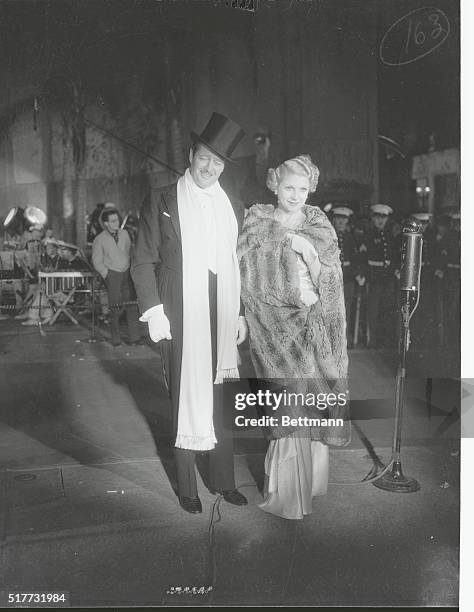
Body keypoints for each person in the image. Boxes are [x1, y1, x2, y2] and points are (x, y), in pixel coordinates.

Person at [131, 112, 249, 514]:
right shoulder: (162, 198)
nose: (210, 167)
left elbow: (237, 263)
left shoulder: (231, 203)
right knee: (185, 393)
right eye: (205, 158)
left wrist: (241, 313)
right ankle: (187, 489)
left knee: (223, 391)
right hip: (180, 304)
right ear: (191, 155)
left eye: (218, 162)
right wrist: (153, 310)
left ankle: (223, 480)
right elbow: (142, 259)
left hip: (222, 304)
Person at [238, 155, 350, 520]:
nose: (296, 195)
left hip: (307, 333)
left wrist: (307, 252)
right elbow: (243, 275)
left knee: (301, 411)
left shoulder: (318, 226)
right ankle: (287, 495)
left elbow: (331, 284)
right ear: (274, 183)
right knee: (283, 409)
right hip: (269, 333)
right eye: (289, 187)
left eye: (303, 188)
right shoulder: (257, 222)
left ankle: (296, 496)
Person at [92, 206, 142, 347]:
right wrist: (106, 274)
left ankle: (135, 338)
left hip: (127, 273)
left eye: (117, 220)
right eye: (113, 221)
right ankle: (116, 339)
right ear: (106, 223)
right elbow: (97, 261)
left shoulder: (125, 234)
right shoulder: (99, 239)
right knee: (115, 307)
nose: (117, 223)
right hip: (112, 275)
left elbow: (131, 252)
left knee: (132, 306)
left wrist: (131, 269)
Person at [359, 204, 397, 348]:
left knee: (387, 308)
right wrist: (362, 274)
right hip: (373, 276)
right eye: (377, 217)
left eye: (384, 217)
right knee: (372, 309)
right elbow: (362, 257)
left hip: (387, 277)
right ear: (372, 218)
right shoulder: (367, 235)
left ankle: (385, 340)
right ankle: (372, 340)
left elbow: (393, 256)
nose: (380, 220)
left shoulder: (390, 235)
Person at [330, 205, 364, 346]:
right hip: (331, 278)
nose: (341, 222)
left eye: (344, 219)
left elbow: (357, 258)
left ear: (348, 221)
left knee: (346, 309)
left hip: (348, 278)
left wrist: (358, 274)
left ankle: (343, 338)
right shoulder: (328, 236)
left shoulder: (353, 237)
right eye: (338, 218)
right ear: (334, 220)